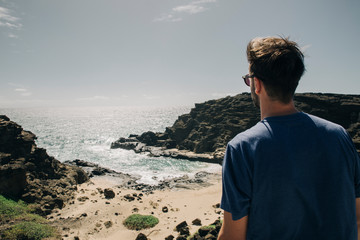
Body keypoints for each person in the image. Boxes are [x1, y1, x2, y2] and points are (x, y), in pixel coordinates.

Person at [218, 37, 360, 240]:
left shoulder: (242, 148)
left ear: (257, 84)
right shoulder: (339, 135)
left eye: (248, 78)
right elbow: (357, 219)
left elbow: (232, 236)